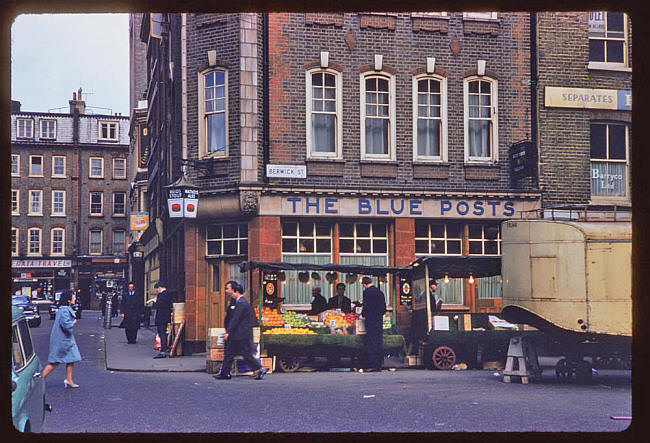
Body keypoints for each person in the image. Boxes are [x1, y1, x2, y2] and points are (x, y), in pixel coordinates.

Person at [215, 281, 268, 380]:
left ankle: (259, 368)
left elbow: (236, 319)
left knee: (244, 354)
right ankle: (225, 373)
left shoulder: (242, 303)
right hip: (239, 333)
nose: (227, 291)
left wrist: (228, 332)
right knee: (231, 353)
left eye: (228, 288)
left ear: (235, 290)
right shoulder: (238, 302)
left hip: (241, 334)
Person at [41, 290, 82, 388]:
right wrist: (73, 322)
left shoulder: (65, 308)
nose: (75, 299)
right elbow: (66, 325)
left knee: (71, 358)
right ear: (68, 300)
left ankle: (69, 379)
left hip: (66, 339)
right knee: (55, 361)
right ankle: (40, 379)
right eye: (73, 297)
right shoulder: (64, 309)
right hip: (62, 340)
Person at [407, 279, 439, 356]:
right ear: (431, 285)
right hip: (423, 320)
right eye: (435, 285)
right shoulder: (427, 294)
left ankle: (412, 353)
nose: (436, 287)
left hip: (421, 320)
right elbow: (431, 307)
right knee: (420, 338)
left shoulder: (426, 294)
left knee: (416, 339)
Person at [361, 276, 386, 372]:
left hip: (370, 320)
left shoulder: (366, 292)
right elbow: (383, 307)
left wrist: (364, 314)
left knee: (371, 341)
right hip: (379, 320)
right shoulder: (380, 292)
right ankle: (379, 364)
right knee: (378, 341)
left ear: (364, 284)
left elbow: (366, 306)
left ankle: (372, 364)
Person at [151, 281, 175, 359]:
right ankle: (165, 348)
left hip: (161, 317)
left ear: (160, 287)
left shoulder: (161, 295)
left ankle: (163, 351)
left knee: (162, 334)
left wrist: (155, 302)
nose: (157, 290)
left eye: (157, 289)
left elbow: (158, 306)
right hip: (166, 316)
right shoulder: (169, 294)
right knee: (164, 333)